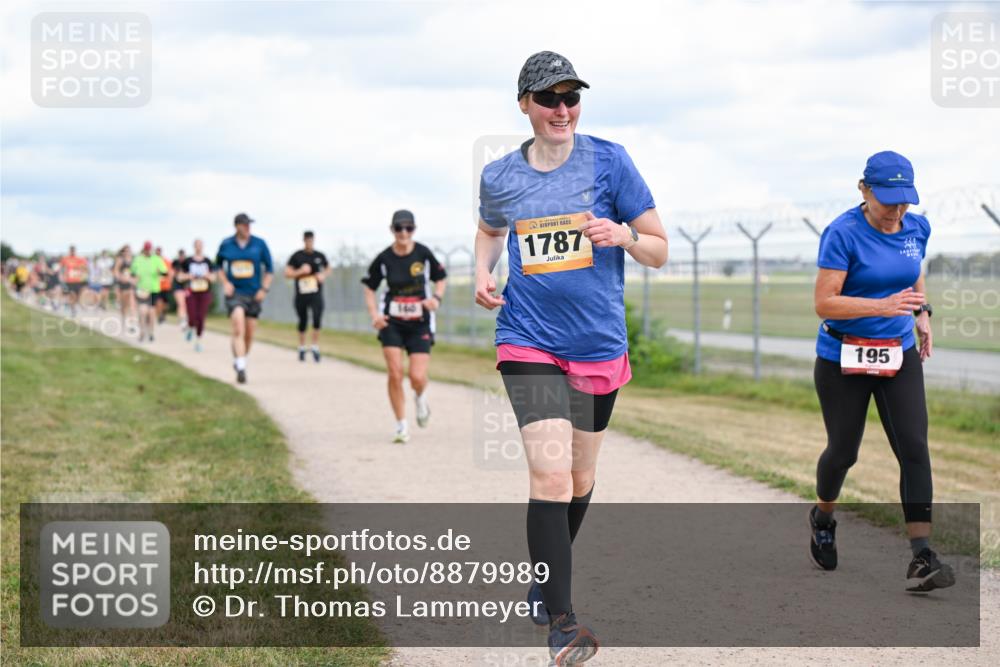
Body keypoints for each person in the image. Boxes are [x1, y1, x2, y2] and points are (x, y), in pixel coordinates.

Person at [474, 51, 667, 665]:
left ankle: (543, 581)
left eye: (571, 97)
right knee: (552, 476)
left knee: (581, 480)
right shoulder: (501, 174)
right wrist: (482, 271)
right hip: (527, 340)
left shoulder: (610, 161)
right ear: (525, 104)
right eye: (549, 98)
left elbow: (659, 249)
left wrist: (625, 236)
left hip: (597, 345)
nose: (563, 109)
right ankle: (563, 624)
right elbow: (489, 228)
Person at [810, 150, 954, 593]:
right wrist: (881, 305)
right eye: (888, 199)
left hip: (899, 352)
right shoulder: (842, 233)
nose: (897, 210)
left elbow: (913, 276)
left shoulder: (917, 227)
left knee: (914, 447)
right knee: (843, 452)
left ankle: (921, 556)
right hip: (843, 355)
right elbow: (824, 302)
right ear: (864, 190)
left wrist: (921, 313)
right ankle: (823, 515)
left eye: (904, 199)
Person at [361, 210, 447, 443]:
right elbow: (369, 287)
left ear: (414, 230)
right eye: (399, 228)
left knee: (416, 376)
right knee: (395, 373)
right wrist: (375, 314)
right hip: (392, 323)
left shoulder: (423, 254)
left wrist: (436, 299)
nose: (403, 232)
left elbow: (441, 277)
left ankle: (420, 397)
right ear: (392, 230)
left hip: (420, 323)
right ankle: (401, 425)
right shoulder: (384, 258)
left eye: (408, 228)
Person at [216, 212, 273, 384]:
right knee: (238, 328)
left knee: (249, 333)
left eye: (249, 224)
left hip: (254, 293)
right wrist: (225, 283)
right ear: (237, 226)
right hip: (236, 294)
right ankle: (241, 367)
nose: (248, 227)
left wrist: (264, 289)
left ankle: (240, 359)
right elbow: (218, 267)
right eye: (244, 224)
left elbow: (269, 269)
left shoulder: (259, 244)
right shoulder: (226, 245)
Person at [285, 230, 330, 362]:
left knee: (317, 318)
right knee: (303, 321)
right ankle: (302, 347)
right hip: (301, 294)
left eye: (311, 240)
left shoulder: (320, 255)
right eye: (307, 240)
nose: (309, 242)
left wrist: (323, 275)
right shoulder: (297, 256)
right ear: (303, 240)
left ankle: (315, 346)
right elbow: (287, 273)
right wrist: (300, 271)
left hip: (316, 293)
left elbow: (328, 268)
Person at [177, 239, 216, 352]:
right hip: (191, 291)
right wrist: (189, 276)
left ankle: (198, 341)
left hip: (204, 292)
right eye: (197, 245)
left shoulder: (208, 261)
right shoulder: (188, 261)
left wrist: (207, 276)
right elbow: (179, 277)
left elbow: (214, 278)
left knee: (201, 317)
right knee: (192, 315)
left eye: (200, 245)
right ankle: (190, 327)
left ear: (203, 246)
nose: (199, 247)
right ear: (194, 246)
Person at [130, 241, 168, 342]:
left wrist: (160, 272)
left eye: (149, 249)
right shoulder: (138, 259)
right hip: (141, 290)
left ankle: (151, 333)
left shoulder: (157, 259)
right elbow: (132, 273)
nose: (148, 251)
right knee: (142, 312)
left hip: (153, 290)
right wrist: (134, 279)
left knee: (151, 312)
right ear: (144, 249)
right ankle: (142, 332)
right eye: (146, 249)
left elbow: (165, 272)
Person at [59, 245, 89, 316]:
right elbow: (62, 268)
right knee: (72, 295)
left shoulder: (80, 259)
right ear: (69, 251)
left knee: (77, 297)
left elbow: (85, 268)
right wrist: (62, 276)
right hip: (69, 281)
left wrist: (82, 271)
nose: (72, 252)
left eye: (73, 250)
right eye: (71, 250)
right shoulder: (65, 259)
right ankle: (73, 310)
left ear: (75, 251)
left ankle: (73, 305)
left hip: (78, 280)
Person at [114, 245, 137, 332]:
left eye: (129, 250)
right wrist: (121, 278)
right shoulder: (120, 260)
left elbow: (136, 272)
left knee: (132, 304)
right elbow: (116, 271)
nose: (127, 252)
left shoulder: (134, 260)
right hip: (122, 285)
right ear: (123, 252)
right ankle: (124, 319)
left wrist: (134, 279)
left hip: (131, 284)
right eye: (125, 251)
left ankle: (132, 324)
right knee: (124, 306)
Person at [172, 248, 189, 333]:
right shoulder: (176, 263)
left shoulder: (187, 263)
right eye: (180, 255)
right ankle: (182, 321)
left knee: (185, 305)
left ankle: (184, 319)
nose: (182, 256)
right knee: (181, 304)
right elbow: (177, 276)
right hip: (177, 287)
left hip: (185, 287)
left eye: (183, 255)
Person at [154, 247, 173, 324]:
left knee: (165, 303)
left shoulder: (166, 261)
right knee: (158, 302)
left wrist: (170, 282)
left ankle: (163, 314)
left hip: (165, 286)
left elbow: (170, 272)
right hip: (156, 286)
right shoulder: (153, 261)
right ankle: (159, 316)